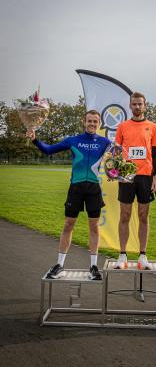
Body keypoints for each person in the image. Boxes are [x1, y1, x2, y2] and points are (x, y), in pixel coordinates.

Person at [26, 110, 111, 280]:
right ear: (84, 121)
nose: (92, 124)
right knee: (68, 225)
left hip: (94, 188)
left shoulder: (106, 142)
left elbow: (115, 161)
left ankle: (93, 267)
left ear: (99, 123)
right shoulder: (73, 140)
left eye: (95, 121)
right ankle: (60, 265)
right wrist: (35, 139)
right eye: (89, 121)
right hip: (76, 188)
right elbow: (49, 150)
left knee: (94, 227)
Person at [114, 92, 156, 270]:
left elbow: (155, 153)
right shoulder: (122, 126)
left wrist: (155, 176)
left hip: (145, 176)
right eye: (134, 104)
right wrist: (115, 170)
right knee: (124, 215)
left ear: (145, 106)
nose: (137, 107)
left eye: (140, 104)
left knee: (143, 216)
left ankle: (143, 255)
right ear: (130, 105)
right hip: (126, 176)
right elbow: (117, 152)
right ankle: (122, 254)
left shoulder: (153, 127)